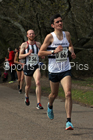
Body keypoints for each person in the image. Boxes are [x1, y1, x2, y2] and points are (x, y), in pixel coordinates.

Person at [38, 14, 76, 130]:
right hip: (54, 71)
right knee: (53, 94)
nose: (60, 23)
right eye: (57, 22)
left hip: (65, 69)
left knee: (68, 93)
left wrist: (72, 51)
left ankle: (68, 121)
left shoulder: (67, 34)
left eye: (61, 21)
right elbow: (40, 53)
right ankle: (50, 105)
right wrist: (54, 51)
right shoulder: (50, 37)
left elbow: (70, 45)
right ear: (52, 25)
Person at [19, 29, 44, 109]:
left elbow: (41, 53)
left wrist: (42, 55)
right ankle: (26, 96)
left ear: (35, 35)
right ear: (27, 35)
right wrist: (28, 54)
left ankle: (38, 103)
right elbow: (20, 56)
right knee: (28, 86)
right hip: (27, 67)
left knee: (38, 82)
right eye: (30, 34)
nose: (31, 35)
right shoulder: (24, 45)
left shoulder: (38, 44)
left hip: (36, 66)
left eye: (33, 34)